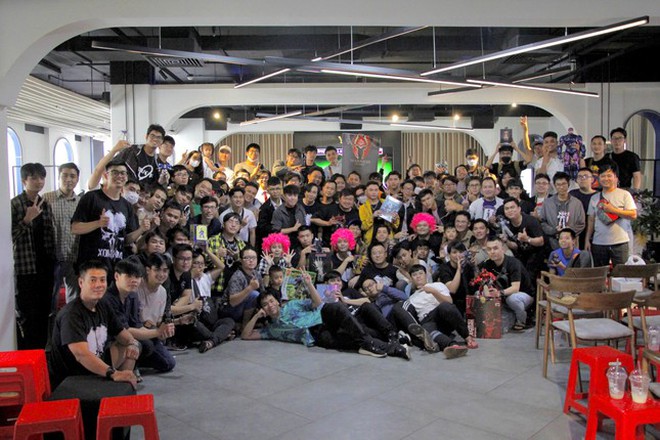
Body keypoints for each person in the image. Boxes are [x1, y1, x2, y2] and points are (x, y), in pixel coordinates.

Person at [241, 272, 409, 359]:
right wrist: (256, 317)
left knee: (340, 307)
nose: (270, 306)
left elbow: (317, 303)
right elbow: (245, 335)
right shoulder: (272, 329)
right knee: (356, 336)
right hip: (316, 335)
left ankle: (389, 336)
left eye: (271, 301)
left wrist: (309, 284)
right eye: (265, 304)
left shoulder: (291, 304)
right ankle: (396, 349)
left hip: (323, 317)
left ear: (277, 302)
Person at [47, 260, 139, 389]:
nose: (98, 285)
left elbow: (122, 334)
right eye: (93, 280)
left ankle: (123, 388)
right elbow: (81, 355)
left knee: (130, 348)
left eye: (102, 280)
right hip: (73, 377)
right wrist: (113, 373)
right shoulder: (71, 314)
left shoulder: (103, 304)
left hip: (97, 365)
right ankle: (115, 389)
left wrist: (133, 344)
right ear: (81, 282)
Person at [101, 259, 176, 373]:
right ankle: (122, 373)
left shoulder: (132, 295)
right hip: (108, 343)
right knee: (138, 344)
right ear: (116, 276)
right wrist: (157, 332)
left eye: (137, 277)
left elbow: (137, 325)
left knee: (166, 361)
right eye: (129, 276)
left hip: (126, 338)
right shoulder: (108, 298)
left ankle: (130, 370)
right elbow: (122, 331)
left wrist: (160, 332)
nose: (134, 280)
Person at [11, 163, 56, 349]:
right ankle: (27, 351)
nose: (39, 182)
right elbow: (8, 237)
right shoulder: (15, 204)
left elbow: (50, 234)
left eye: (42, 178)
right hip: (25, 267)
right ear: (24, 181)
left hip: (45, 266)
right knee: (28, 313)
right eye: (34, 178)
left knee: (45, 311)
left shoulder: (45, 203)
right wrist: (26, 220)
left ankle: (41, 352)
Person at [389, 264, 478, 358]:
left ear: (426, 275)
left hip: (442, 315)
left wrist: (433, 291)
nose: (418, 276)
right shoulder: (412, 298)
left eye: (420, 273)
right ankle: (452, 345)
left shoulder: (437, 285)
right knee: (426, 330)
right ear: (411, 279)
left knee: (445, 306)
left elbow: (449, 302)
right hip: (427, 321)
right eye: (414, 275)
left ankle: (467, 337)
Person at [71, 160, 144, 270]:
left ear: (126, 178)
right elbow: (75, 228)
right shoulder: (91, 198)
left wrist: (142, 229)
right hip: (92, 266)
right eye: (115, 172)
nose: (119, 176)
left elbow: (126, 240)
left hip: (116, 268)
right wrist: (98, 223)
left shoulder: (127, 206)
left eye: (123, 173)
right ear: (106, 175)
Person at [43, 162, 81, 304]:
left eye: (72, 176)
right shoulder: (47, 198)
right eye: (64, 175)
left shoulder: (81, 202)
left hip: (74, 256)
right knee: (50, 297)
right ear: (58, 177)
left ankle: (71, 319)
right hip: (53, 257)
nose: (68, 179)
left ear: (77, 179)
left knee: (74, 297)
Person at [585, 164, 637, 267]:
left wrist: (613, 210)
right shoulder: (594, 198)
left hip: (620, 243)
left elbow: (633, 214)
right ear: (599, 178)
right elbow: (591, 220)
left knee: (621, 274)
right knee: (600, 273)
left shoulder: (624, 194)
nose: (606, 179)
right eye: (603, 176)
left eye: (609, 176)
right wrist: (587, 240)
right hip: (598, 243)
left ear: (616, 178)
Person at [480, 238, 535, 332]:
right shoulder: (487, 264)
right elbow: (484, 282)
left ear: (503, 249)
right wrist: (488, 292)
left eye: (495, 248)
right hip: (503, 295)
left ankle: (523, 321)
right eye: (489, 249)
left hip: (522, 294)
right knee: (480, 294)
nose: (492, 252)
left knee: (512, 299)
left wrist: (499, 293)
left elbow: (515, 288)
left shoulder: (513, 263)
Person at [538, 172, 586, 250]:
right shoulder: (547, 203)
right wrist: (554, 230)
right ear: (554, 185)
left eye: (564, 184)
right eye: (558, 184)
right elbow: (543, 222)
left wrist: (569, 231)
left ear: (568, 184)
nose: (561, 187)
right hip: (553, 243)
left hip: (572, 244)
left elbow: (581, 223)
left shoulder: (577, 203)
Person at [435, 241, 475, 317]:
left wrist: (474, 266)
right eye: (454, 252)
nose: (458, 255)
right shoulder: (444, 268)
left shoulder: (467, 266)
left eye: (461, 252)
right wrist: (459, 269)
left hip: (468, 301)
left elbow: (475, 283)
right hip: (452, 304)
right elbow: (452, 290)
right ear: (449, 255)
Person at [569, 167, 597, 248]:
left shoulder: (598, 195)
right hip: (576, 232)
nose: (582, 179)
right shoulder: (572, 194)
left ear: (592, 179)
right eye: (580, 177)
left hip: (594, 233)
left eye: (585, 176)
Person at [609, 127, 642, 191]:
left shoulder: (632, 157)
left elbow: (637, 176)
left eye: (620, 138)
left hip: (625, 190)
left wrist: (635, 192)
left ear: (625, 140)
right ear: (611, 141)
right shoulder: (607, 157)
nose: (617, 141)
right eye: (614, 138)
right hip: (609, 189)